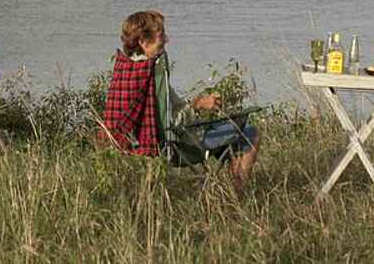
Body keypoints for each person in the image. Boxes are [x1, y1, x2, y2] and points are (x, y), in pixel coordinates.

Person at [99, 10, 259, 189]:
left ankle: (220, 193)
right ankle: (236, 193)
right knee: (250, 132)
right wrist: (198, 105)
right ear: (143, 42)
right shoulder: (152, 74)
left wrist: (194, 105)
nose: (166, 40)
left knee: (228, 132)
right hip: (178, 147)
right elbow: (171, 124)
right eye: (161, 35)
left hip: (141, 146)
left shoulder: (126, 69)